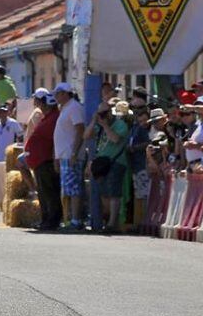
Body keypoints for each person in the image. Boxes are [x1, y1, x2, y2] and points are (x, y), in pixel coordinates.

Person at [86, 99, 131, 232]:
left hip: (116, 162)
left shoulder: (120, 124)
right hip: (102, 164)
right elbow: (86, 135)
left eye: (105, 113)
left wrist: (105, 126)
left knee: (113, 193)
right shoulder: (98, 124)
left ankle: (112, 224)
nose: (103, 116)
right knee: (104, 193)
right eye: (101, 113)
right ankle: (108, 220)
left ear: (111, 113)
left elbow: (115, 139)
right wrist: (94, 121)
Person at [52, 84, 86, 230]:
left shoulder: (74, 107)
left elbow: (80, 130)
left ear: (66, 94)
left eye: (58, 93)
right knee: (68, 189)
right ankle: (70, 219)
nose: (55, 96)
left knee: (74, 189)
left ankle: (76, 220)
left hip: (71, 155)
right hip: (64, 155)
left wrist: (74, 152)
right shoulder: (65, 108)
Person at [26, 97, 61, 230]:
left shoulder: (54, 118)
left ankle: (52, 220)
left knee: (49, 192)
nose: (41, 107)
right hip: (40, 160)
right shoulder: (47, 118)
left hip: (46, 160)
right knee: (43, 191)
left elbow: (54, 140)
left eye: (43, 105)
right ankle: (45, 218)